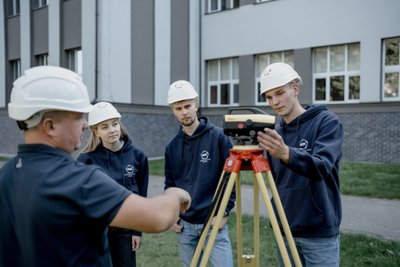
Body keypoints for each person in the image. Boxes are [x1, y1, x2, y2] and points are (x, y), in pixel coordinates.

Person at [0, 66, 191, 267]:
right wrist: (175, 194)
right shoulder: (77, 180)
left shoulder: (6, 176)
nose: (84, 125)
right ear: (50, 126)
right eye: (77, 117)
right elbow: (157, 218)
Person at [256, 62, 343, 267]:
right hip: (285, 231)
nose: (275, 101)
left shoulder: (327, 122)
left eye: (279, 92)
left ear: (295, 89)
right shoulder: (275, 134)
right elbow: (277, 181)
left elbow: (321, 166)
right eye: (269, 96)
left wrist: (286, 153)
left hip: (318, 232)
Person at [164, 80, 235, 267]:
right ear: (172, 110)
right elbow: (170, 185)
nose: (184, 112)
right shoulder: (171, 147)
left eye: (187, 106)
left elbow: (230, 178)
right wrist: (172, 214)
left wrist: (224, 211)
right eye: (178, 108)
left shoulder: (219, 137)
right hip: (185, 227)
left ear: (196, 104)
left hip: (213, 221)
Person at [77, 101, 149, 267]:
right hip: (98, 230)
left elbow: (142, 198)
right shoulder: (86, 160)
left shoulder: (138, 156)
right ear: (95, 131)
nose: (112, 130)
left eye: (114, 124)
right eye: (104, 127)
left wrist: (137, 231)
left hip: (126, 228)